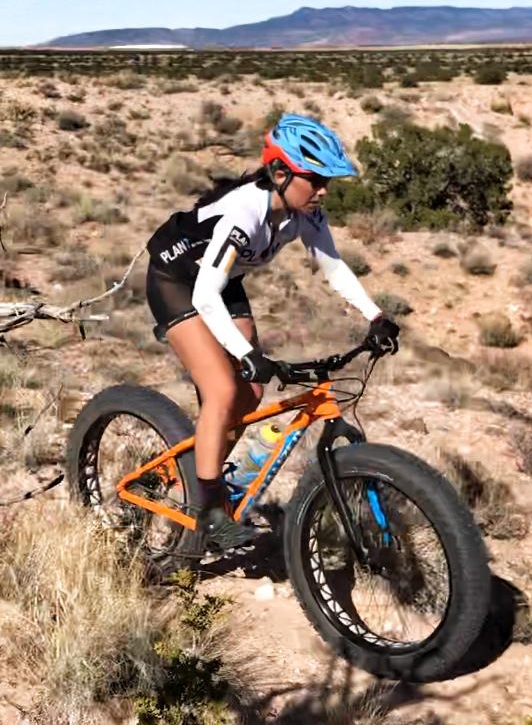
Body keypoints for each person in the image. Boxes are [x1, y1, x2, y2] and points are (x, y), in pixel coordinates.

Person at [144, 113, 401, 552]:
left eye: (327, 182)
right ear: (280, 172)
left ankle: (198, 474)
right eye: (314, 179)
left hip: (223, 280)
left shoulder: (304, 213)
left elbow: (334, 267)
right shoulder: (244, 213)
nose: (323, 190)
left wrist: (375, 315)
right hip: (178, 281)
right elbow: (205, 296)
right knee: (223, 390)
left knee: (251, 391)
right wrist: (245, 351)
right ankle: (208, 514)